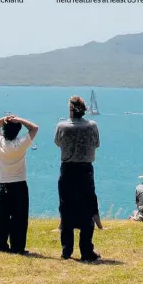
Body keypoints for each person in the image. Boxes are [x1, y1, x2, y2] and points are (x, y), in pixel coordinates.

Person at [54, 95, 101, 261]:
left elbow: (58, 143)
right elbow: (96, 144)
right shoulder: (92, 126)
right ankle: (86, 250)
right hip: (85, 169)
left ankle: (66, 250)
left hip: (67, 170)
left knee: (66, 208)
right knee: (87, 208)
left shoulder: (62, 126)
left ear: (70, 109)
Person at [0, 114, 39, 254]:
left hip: (3, 183)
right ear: (17, 132)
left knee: (2, 216)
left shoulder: (0, 142)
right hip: (19, 183)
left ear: (5, 130)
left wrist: (4, 118)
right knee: (19, 217)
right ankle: (17, 247)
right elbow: (34, 128)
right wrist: (19, 119)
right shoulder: (20, 144)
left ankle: (0, 244)